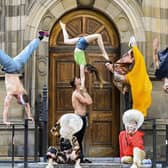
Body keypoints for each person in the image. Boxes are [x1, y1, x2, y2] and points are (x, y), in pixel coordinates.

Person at [0, 31, 49, 125]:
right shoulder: (12, 93)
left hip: (18, 66)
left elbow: (27, 105)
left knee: (28, 50)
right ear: (19, 97)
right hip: (11, 68)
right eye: (19, 101)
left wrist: (30, 116)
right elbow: (6, 106)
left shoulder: (23, 92)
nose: (18, 102)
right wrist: (5, 120)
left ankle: (40, 37)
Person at [105, 36, 152, 116]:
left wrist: (111, 68)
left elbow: (122, 78)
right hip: (134, 96)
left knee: (132, 118)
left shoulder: (138, 68)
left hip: (133, 98)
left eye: (129, 55)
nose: (126, 56)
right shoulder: (136, 68)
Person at [60, 21, 109, 90]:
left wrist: (82, 86)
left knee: (66, 41)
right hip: (81, 43)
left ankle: (63, 27)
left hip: (80, 43)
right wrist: (82, 86)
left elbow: (82, 75)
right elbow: (82, 77)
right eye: (87, 72)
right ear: (88, 69)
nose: (85, 72)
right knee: (98, 35)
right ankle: (104, 53)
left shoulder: (82, 62)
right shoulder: (82, 63)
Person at [69, 77, 92, 163]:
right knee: (77, 139)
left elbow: (90, 100)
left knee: (80, 139)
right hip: (78, 118)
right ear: (75, 83)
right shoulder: (76, 94)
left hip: (82, 118)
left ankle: (80, 157)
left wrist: (84, 91)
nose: (79, 79)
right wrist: (85, 92)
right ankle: (76, 157)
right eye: (77, 78)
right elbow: (89, 102)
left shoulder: (80, 92)